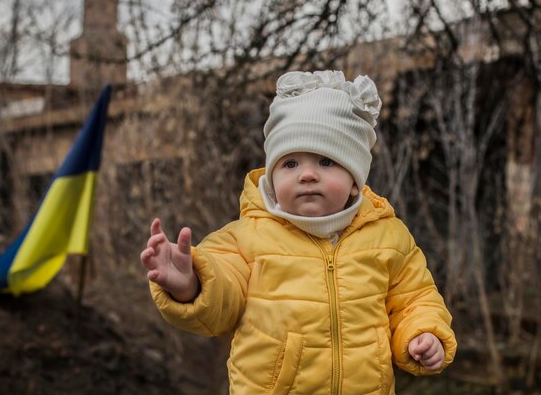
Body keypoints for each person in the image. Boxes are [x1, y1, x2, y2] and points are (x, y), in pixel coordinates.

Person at [140, 70, 457, 394]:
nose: (307, 175)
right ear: (273, 178)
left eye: (325, 161)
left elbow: (415, 298)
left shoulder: (388, 238)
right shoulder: (245, 239)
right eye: (290, 164)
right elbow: (221, 299)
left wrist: (422, 332)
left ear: (354, 180)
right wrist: (189, 284)